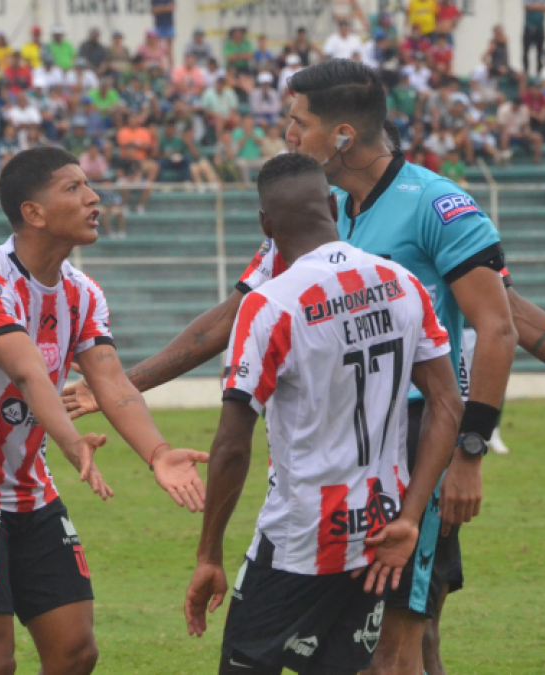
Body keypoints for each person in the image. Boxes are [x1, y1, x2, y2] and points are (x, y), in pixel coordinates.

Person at [63, 59, 545, 675]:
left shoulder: (436, 204)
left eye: (298, 122)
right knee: (387, 643)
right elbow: (232, 315)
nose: (288, 135)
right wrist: (120, 384)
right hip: (334, 461)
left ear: (342, 134)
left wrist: (474, 450)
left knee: (396, 646)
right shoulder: (318, 209)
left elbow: (503, 320)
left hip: (419, 442)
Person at [0, 147, 208, 675]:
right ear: (34, 213)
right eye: (73, 188)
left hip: (30, 491)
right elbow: (28, 372)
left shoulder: (82, 292)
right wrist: (71, 442)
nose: (93, 197)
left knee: (75, 651)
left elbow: (110, 380)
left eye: (88, 185)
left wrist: (158, 453)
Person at [185, 152, 462, 675]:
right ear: (333, 210)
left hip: (300, 539)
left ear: (266, 226)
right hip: (378, 530)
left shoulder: (269, 305)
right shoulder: (403, 283)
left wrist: (208, 555)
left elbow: (233, 445)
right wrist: (409, 517)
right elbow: (448, 404)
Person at [522, 0, 545, 76]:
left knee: (540, 52)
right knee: (526, 52)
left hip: (540, 28)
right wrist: (541, 6)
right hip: (529, 27)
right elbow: (527, 6)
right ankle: (526, 72)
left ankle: (539, 72)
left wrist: (534, 6)